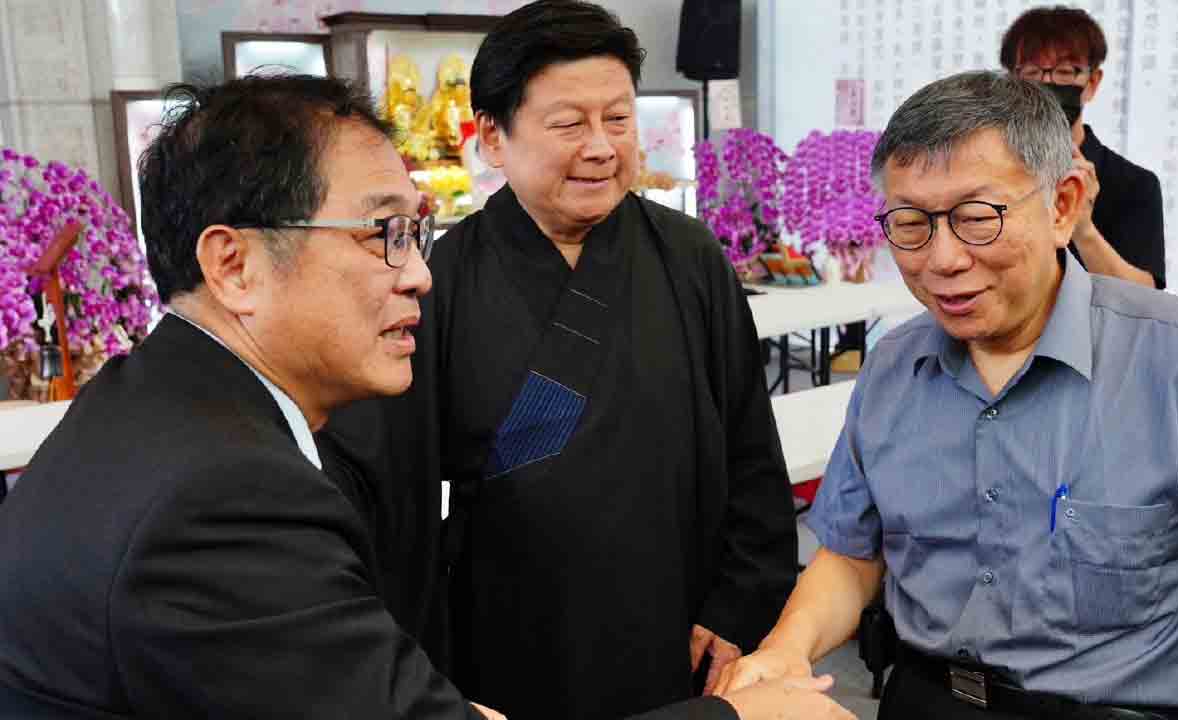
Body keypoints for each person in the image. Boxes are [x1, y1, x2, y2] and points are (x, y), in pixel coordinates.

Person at [0, 73, 843, 720]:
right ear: (234, 265)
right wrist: (739, 717)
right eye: (383, 234)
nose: (418, 275)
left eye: (418, 232)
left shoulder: (152, 402)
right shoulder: (221, 498)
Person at [713, 71, 1178, 719]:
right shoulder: (893, 368)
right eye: (911, 223)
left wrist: (1165, 683)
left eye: (977, 218)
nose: (943, 259)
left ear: (1062, 205)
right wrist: (787, 649)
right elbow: (850, 555)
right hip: (924, 702)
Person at [326, 2, 798, 718]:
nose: (602, 147)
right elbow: (390, 484)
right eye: (569, 124)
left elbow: (750, 449)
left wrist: (738, 604)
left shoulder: (691, 258)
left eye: (618, 119)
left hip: (678, 624)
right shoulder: (438, 280)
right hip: (504, 636)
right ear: (492, 136)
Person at [1001, 5, 1166, 289]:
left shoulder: (1134, 185)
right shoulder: (990, 171)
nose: (1047, 83)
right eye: (1031, 71)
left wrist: (1083, 228)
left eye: (1065, 71)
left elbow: (1145, 300)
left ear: (1092, 83)